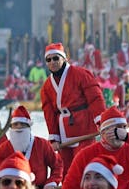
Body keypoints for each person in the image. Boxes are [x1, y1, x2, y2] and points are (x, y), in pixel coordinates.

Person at [60, 107, 129, 189]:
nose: (120, 132)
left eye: (123, 128)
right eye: (115, 128)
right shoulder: (85, 154)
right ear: (103, 132)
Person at [38, 42, 105, 172]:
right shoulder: (46, 86)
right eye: (49, 59)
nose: (52, 62)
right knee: (66, 170)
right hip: (63, 134)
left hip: (84, 129)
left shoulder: (81, 74)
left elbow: (95, 99)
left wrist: (102, 122)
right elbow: (49, 113)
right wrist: (53, 137)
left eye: (56, 58)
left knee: (83, 165)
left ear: (64, 58)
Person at [0, 105, 62, 189]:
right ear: (11, 127)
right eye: (15, 124)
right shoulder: (3, 149)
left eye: (22, 124)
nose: (19, 127)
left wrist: (52, 182)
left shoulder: (42, 144)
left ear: (29, 127)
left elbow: (57, 165)